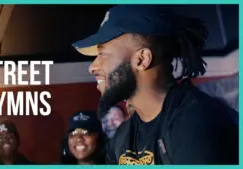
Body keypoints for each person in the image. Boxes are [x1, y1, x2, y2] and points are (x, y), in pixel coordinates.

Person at [72, 5, 238, 165]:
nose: (92, 67)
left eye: (102, 54)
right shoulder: (121, 139)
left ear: (142, 59)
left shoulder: (196, 123)